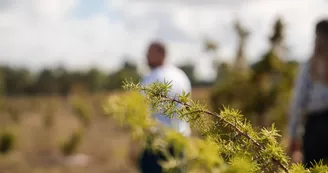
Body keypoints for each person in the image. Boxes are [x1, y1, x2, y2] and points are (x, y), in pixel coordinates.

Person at [139, 41, 192, 173]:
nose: (146, 56)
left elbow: (142, 110)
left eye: (149, 53)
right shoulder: (181, 75)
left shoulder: (152, 77)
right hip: (180, 140)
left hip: (157, 143)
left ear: (161, 54)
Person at [288, 19, 328, 168]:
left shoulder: (308, 66)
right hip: (314, 127)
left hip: (315, 128)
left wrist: (293, 136)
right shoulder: (309, 66)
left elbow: (298, 103)